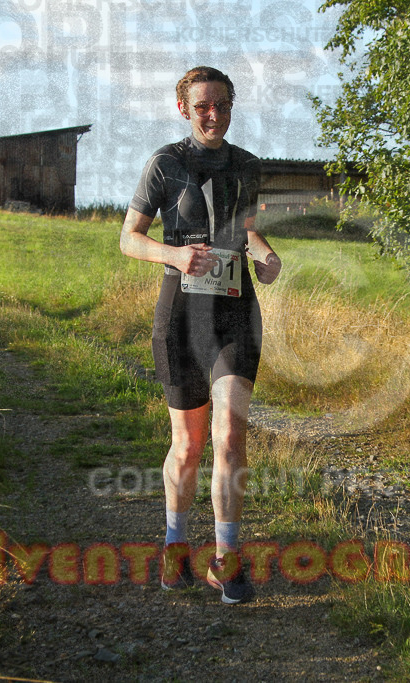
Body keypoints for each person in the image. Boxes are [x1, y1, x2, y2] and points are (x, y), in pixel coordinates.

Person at [120, 66, 282, 605]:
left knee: (230, 438)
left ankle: (224, 560)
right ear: (184, 109)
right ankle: (173, 546)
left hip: (235, 315)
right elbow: (129, 239)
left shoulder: (248, 166)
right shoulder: (165, 163)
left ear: (232, 108)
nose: (213, 114)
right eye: (202, 106)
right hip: (181, 318)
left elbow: (248, 228)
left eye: (222, 105)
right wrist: (173, 254)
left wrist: (264, 255)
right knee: (188, 446)